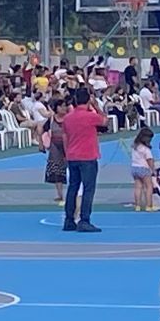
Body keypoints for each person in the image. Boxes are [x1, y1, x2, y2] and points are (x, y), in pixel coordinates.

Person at [62, 87, 106, 233]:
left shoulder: (68, 118)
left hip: (72, 155)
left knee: (73, 187)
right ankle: (84, 220)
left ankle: (69, 219)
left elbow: (65, 136)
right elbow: (104, 121)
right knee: (88, 188)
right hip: (87, 156)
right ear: (88, 100)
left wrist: (67, 152)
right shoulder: (90, 116)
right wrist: (96, 106)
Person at [43, 98, 69, 203]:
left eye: (65, 106)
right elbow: (42, 129)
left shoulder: (69, 118)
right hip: (54, 146)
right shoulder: (51, 119)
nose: (63, 108)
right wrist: (41, 143)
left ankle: (74, 193)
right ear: (56, 108)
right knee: (57, 170)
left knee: (71, 168)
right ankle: (60, 194)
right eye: (61, 106)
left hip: (68, 145)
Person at [131, 126, 155, 211]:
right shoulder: (146, 149)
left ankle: (137, 205)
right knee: (149, 187)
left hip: (134, 168)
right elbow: (149, 160)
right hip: (144, 168)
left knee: (138, 187)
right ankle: (149, 205)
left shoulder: (135, 147)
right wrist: (153, 170)